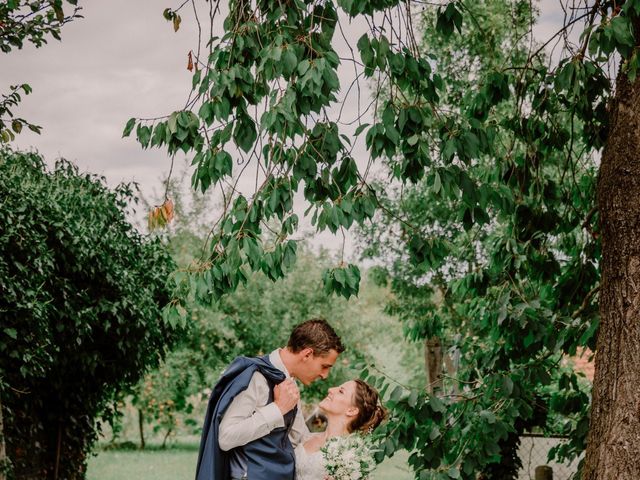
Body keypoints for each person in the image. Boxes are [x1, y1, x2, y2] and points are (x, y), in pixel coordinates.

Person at [195, 318, 345, 480]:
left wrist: (337, 459)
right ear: (307, 354)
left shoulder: (289, 384)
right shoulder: (255, 377)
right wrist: (278, 409)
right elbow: (226, 437)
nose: (325, 375)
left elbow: (299, 439)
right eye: (325, 366)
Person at [294, 379, 386, 480]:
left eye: (341, 391)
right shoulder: (307, 436)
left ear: (351, 410)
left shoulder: (351, 460)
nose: (330, 389)